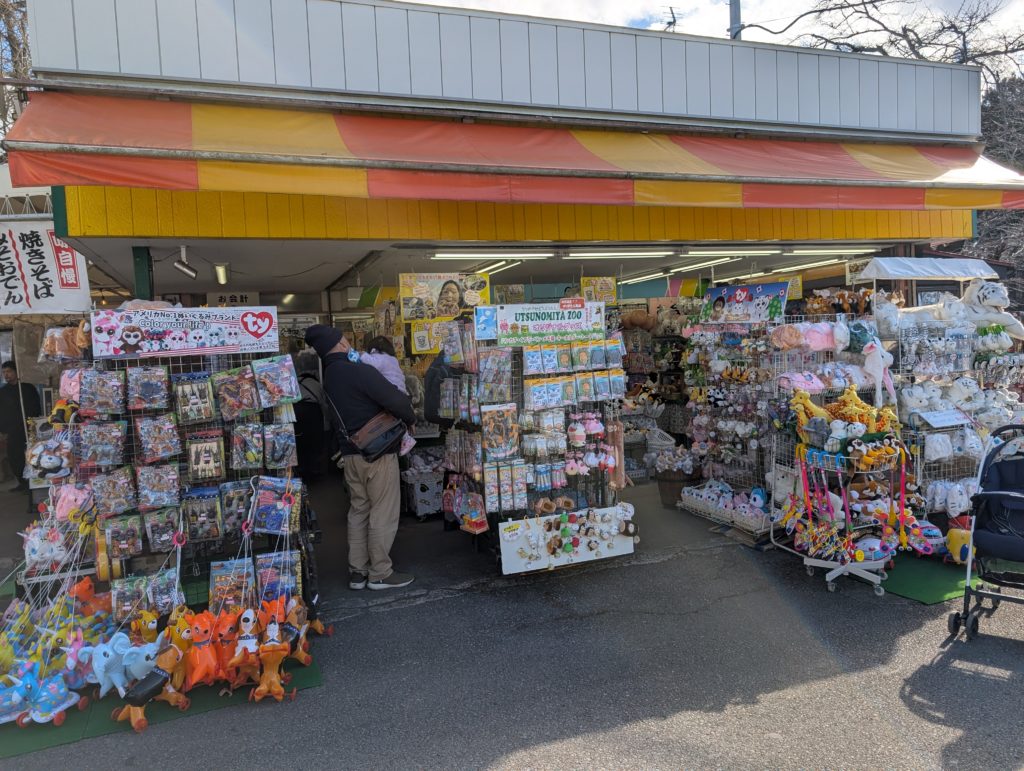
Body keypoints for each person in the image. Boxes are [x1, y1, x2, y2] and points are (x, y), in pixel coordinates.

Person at [304, 325, 417, 591]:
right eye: (344, 340)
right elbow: (396, 401)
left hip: (350, 454)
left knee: (359, 510)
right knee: (382, 511)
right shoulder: (357, 371)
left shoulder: (329, 376)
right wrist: (410, 419)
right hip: (377, 453)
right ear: (339, 344)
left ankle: (358, 572)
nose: (348, 344)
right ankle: (380, 572)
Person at [356, 336, 416, 455]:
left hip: (392, 391)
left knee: (391, 417)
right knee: (395, 418)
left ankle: (406, 439)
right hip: (400, 392)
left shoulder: (379, 358)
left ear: (373, 349)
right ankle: (405, 438)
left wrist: (361, 354)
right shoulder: (392, 359)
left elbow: (373, 363)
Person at [0, 361, 41, 491]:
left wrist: (34, 423)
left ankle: (34, 481)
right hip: (12, 430)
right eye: (4, 372)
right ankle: (22, 482)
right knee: (14, 456)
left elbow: (36, 407)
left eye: (9, 371)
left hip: (29, 427)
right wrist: (3, 430)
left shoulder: (27, 388)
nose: (6, 375)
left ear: (16, 372)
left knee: (33, 454)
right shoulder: (3, 392)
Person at [293, 351, 329, 481]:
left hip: (297, 413)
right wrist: (327, 425)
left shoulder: (294, 382)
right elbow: (323, 404)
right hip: (313, 413)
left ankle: (301, 470)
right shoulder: (316, 384)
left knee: (299, 442)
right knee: (314, 442)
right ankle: (314, 470)